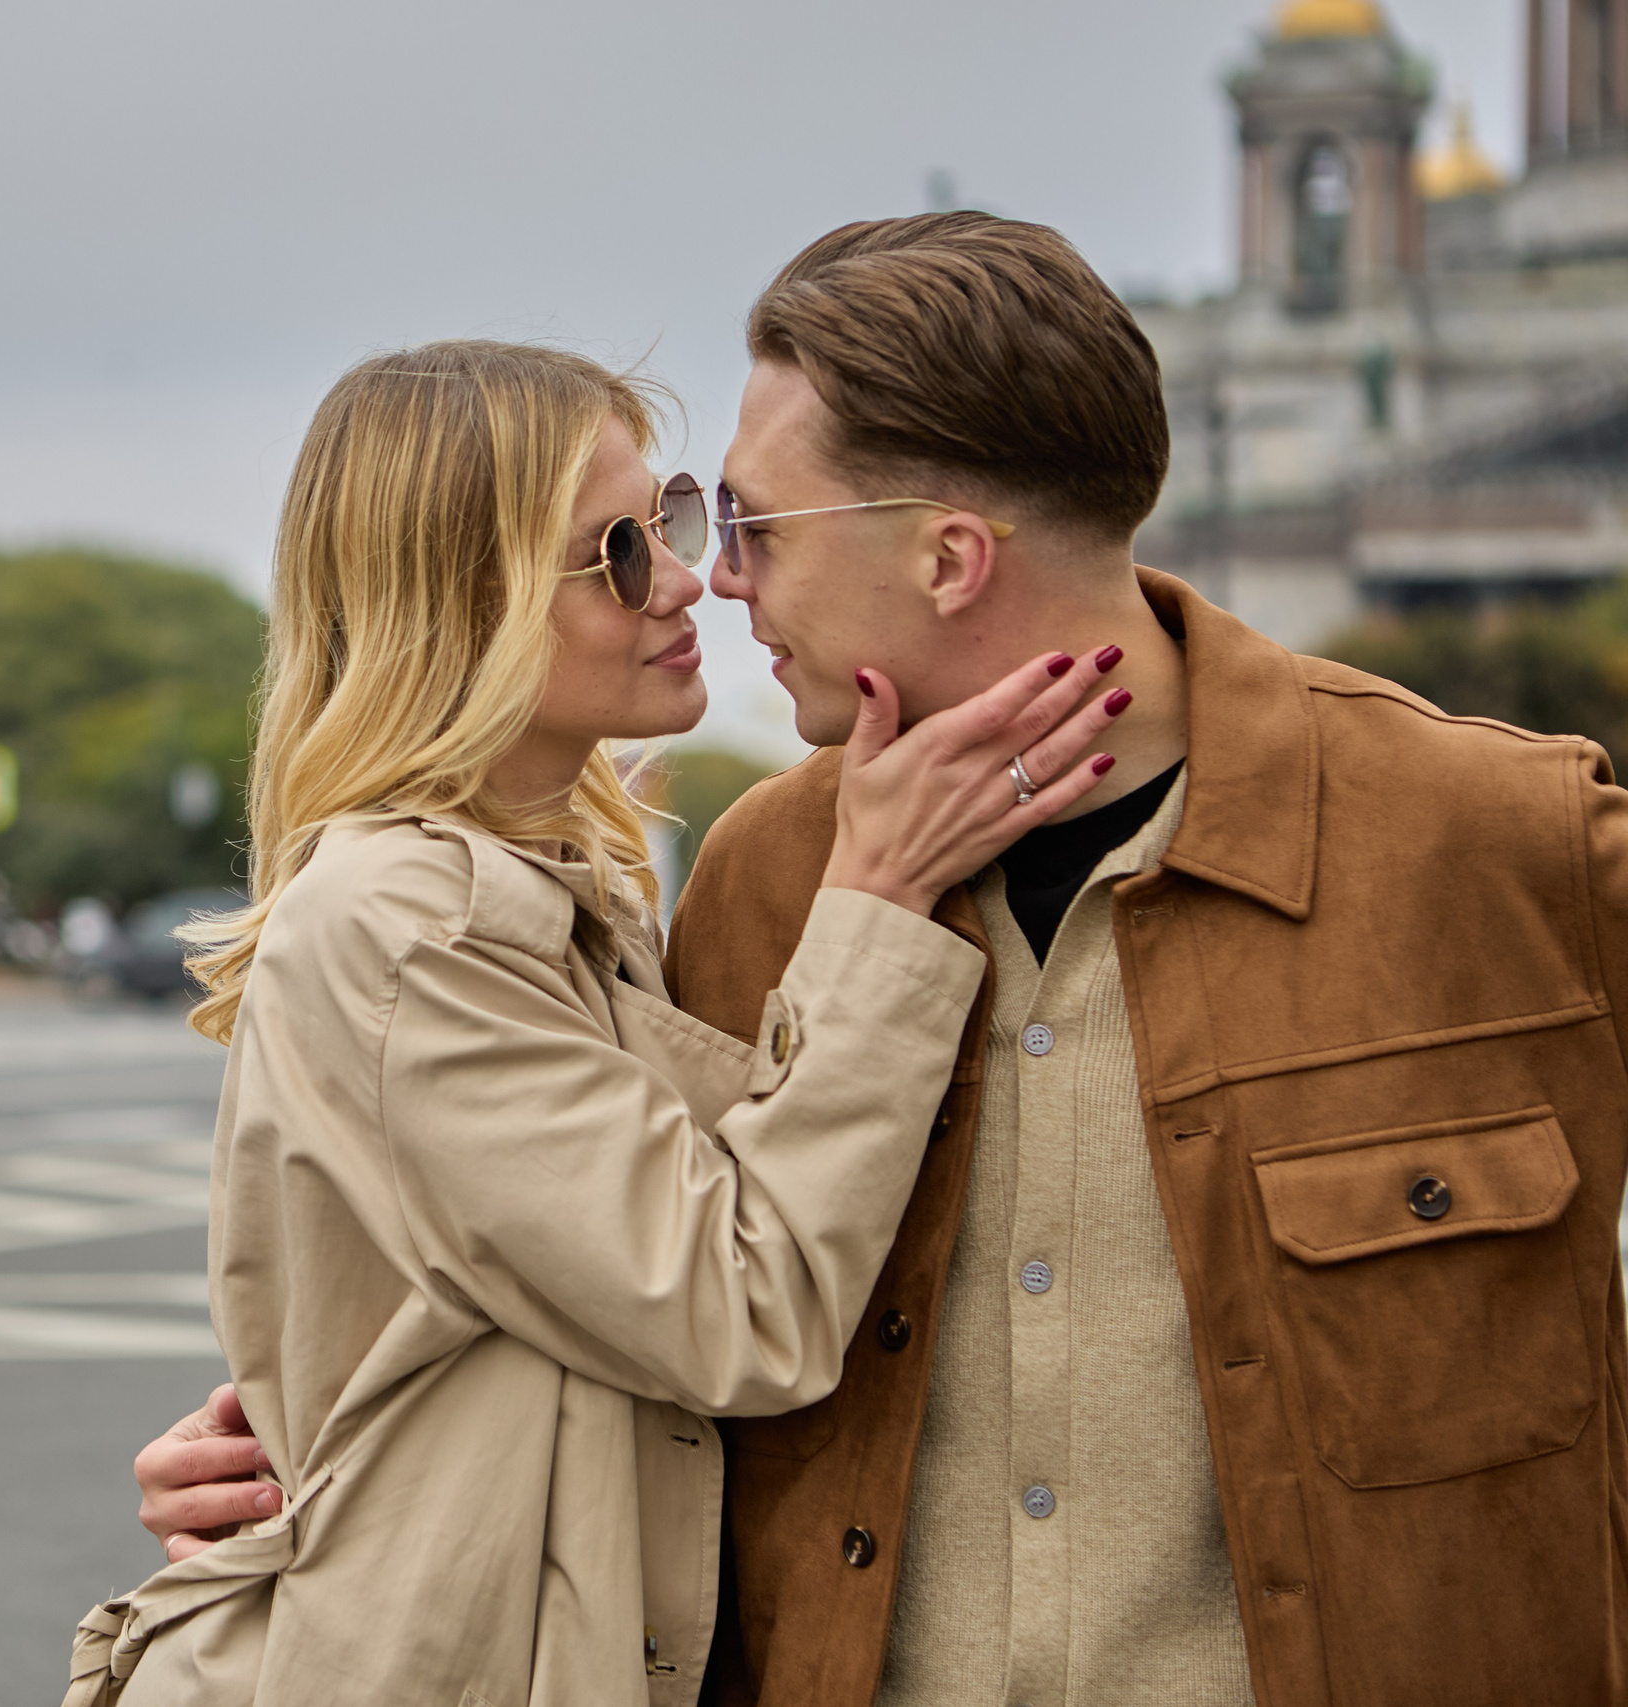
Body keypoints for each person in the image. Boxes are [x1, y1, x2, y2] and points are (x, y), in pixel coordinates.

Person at [135, 215, 1628, 1705]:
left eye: (734, 521)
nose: (704, 581)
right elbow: (700, 1301)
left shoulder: (1502, 841)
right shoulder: (757, 884)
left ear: (950, 554)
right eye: (638, 540)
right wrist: (330, 1457)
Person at [68, 338, 1132, 1707]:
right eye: (618, 552)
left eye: (672, 516)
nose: (688, 578)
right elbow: (740, 1307)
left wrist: (314, 1442)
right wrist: (877, 894)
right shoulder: (406, 918)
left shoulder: (565, 883)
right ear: (471, 606)